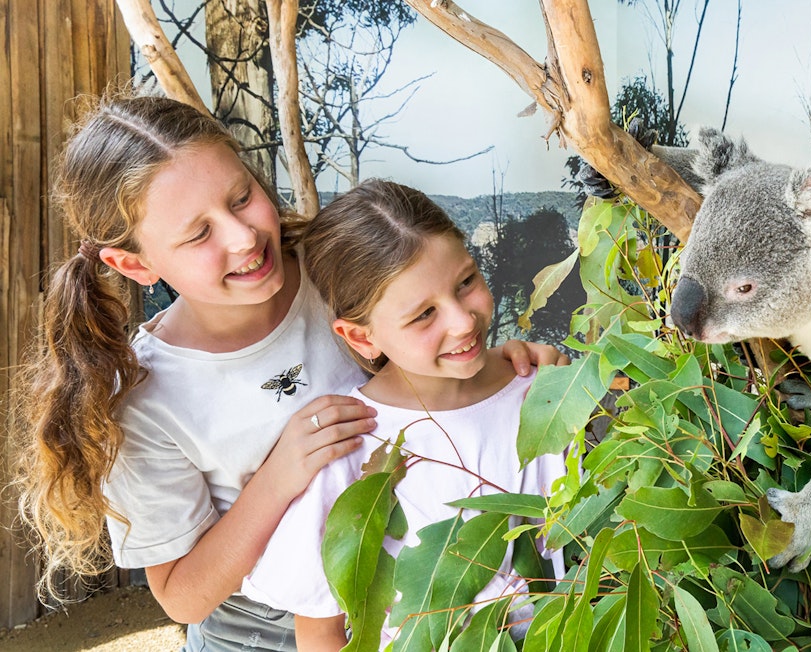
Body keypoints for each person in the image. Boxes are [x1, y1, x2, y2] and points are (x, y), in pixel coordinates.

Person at [14, 94, 566, 652]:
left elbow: (433, 353)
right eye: (199, 234)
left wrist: (505, 370)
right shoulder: (144, 399)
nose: (243, 236)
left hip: (411, 606)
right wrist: (281, 477)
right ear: (136, 265)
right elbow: (182, 597)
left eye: (242, 197)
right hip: (258, 633)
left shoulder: (335, 274)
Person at [240, 179, 567, 650]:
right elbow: (320, 628)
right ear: (361, 338)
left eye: (467, 282)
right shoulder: (349, 447)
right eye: (423, 315)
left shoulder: (543, 393)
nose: (462, 320)